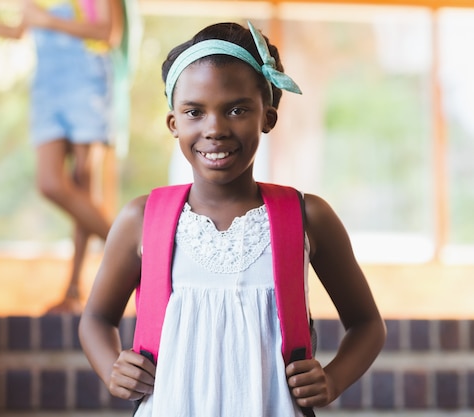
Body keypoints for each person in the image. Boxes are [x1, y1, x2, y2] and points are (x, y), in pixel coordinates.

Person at [79, 21, 386, 415]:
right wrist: (111, 368)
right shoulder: (143, 218)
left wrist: (332, 379)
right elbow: (96, 318)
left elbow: (367, 325)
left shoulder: (308, 217)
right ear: (174, 123)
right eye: (194, 112)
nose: (215, 128)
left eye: (237, 109)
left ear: (268, 118)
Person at [0, 0, 124, 313]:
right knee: (51, 183)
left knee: (83, 185)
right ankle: (128, 245)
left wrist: (49, 21)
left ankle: (74, 291)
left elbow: (108, 32)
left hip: (86, 83)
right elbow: (18, 30)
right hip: (47, 90)